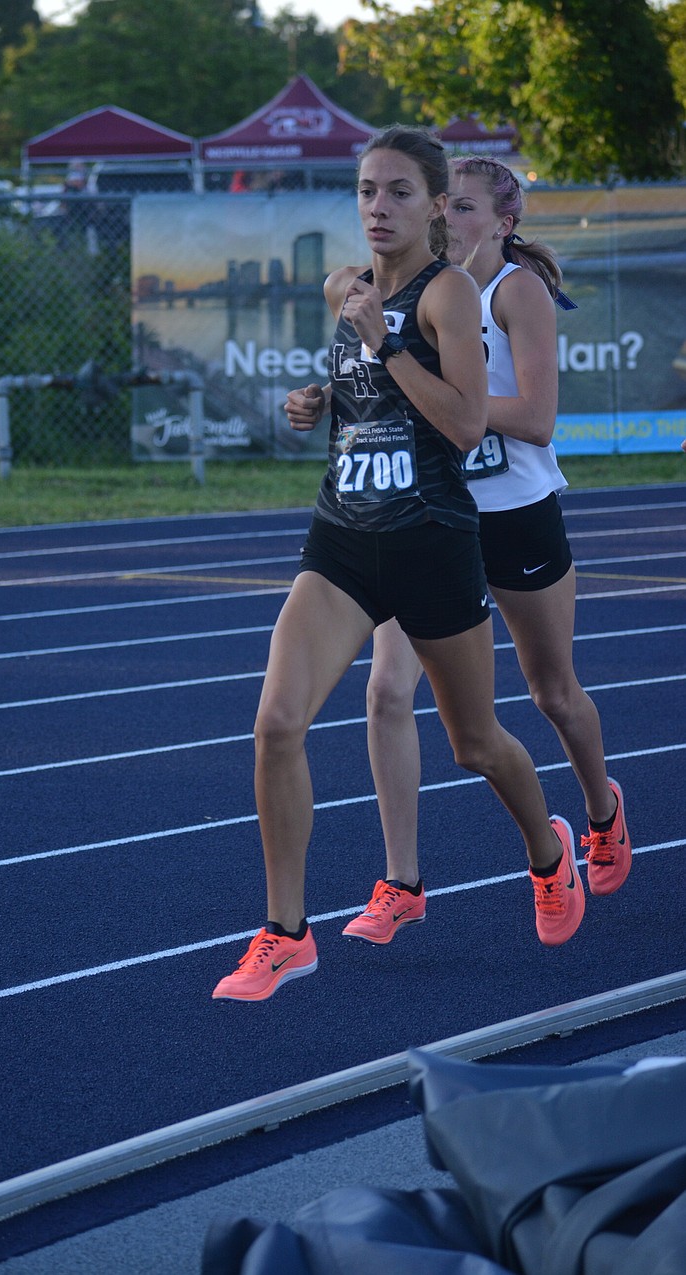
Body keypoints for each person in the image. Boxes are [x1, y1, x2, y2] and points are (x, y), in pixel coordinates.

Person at [212, 128, 584, 1004]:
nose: (378, 208)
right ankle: (285, 933)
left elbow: (460, 424)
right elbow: (359, 396)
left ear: (431, 207)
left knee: (475, 743)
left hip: (431, 543)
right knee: (275, 724)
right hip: (342, 535)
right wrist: (320, 398)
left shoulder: (449, 295)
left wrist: (385, 345)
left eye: (399, 193)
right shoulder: (346, 288)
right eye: (367, 192)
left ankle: (548, 852)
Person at [344, 154, 631, 950]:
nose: (449, 221)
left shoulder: (516, 292)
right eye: (445, 207)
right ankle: (402, 881)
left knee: (553, 693)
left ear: (503, 224)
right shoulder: (418, 291)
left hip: (516, 516)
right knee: (385, 691)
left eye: (465, 208)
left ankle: (601, 815)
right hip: (432, 517)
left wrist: (450, 398)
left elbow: (538, 418)